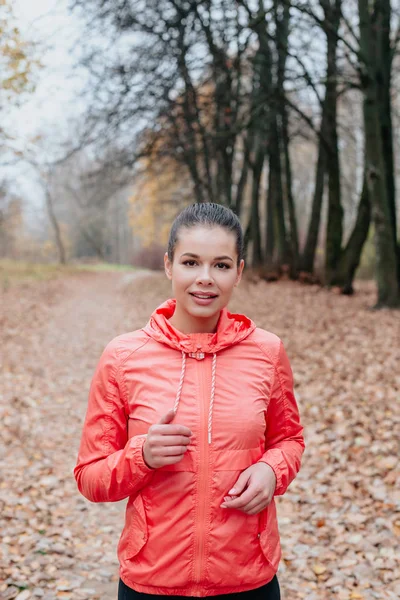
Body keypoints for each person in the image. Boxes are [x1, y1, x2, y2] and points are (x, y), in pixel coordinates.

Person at [74, 203, 305, 600]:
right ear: (168, 266)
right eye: (190, 262)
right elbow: (90, 477)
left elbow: (290, 441)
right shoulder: (123, 357)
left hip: (248, 581)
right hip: (152, 584)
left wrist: (271, 469)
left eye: (221, 265)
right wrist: (141, 456)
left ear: (239, 272)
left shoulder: (267, 352)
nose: (205, 279)